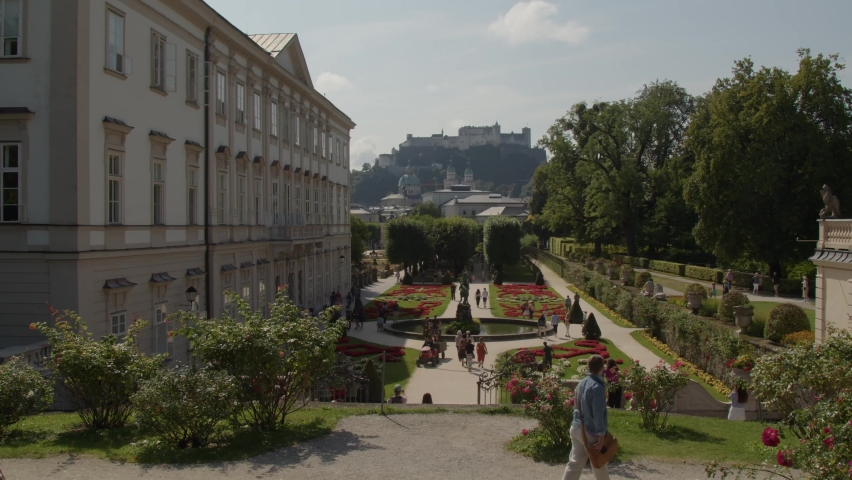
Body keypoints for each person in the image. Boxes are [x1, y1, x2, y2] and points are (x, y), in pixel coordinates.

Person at [562, 354, 610, 480]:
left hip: (576, 426)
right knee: (599, 463)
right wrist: (601, 436)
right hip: (590, 431)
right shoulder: (597, 387)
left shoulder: (582, 382)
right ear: (602, 368)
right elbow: (598, 414)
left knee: (575, 463)